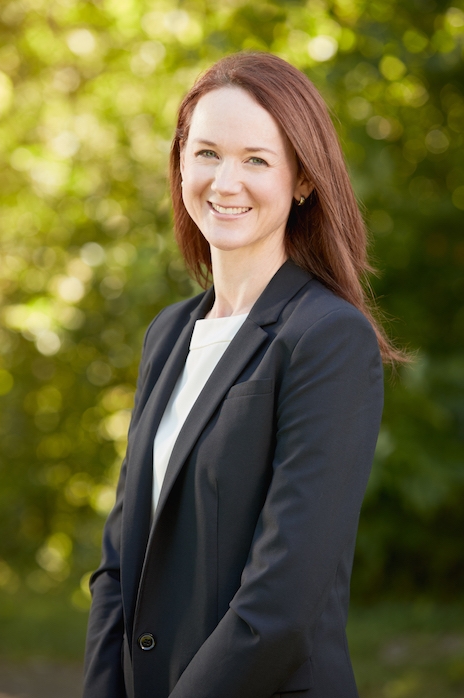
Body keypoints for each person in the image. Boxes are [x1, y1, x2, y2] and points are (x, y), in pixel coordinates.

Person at [83, 52, 404, 698]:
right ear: (179, 165)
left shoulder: (326, 337)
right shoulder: (169, 334)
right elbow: (120, 564)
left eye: (256, 159)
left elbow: (281, 603)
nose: (225, 182)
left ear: (303, 180)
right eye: (205, 154)